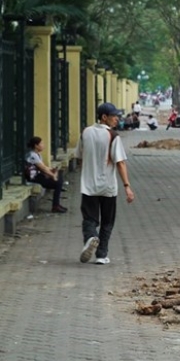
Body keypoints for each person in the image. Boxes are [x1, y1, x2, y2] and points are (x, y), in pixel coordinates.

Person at [76, 102, 135, 265]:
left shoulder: (85, 133)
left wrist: (88, 172)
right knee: (107, 221)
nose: (116, 119)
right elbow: (120, 163)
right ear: (104, 117)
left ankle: (90, 238)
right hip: (108, 187)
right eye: (114, 116)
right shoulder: (113, 136)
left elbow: (79, 157)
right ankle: (101, 255)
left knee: (89, 218)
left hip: (88, 186)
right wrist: (127, 186)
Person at [25, 136, 68, 213]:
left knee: (59, 179)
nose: (43, 145)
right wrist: (52, 175)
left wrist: (52, 170)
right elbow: (43, 168)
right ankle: (55, 206)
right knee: (58, 183)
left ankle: (56, 204)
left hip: (38, 175)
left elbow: (44, 167)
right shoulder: (33, 155)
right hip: (33, 177)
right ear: (36, 145)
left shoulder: (38, 154)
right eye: (41, 143)